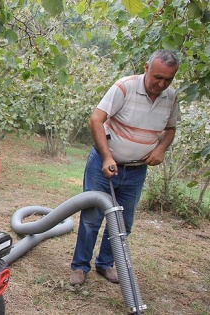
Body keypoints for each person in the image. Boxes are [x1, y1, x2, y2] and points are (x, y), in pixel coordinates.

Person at [69, 50, 180, 286]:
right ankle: (80, 267)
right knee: (92, 218)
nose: (161, 84)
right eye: (157, 77)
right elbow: (96, 119)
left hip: (136, 171)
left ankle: (106, 263)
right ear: (146, 67)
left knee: (122, 222)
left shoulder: (171, 97)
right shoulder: (124, 88)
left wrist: (160, 150)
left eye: (168, 79)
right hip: (103, 164)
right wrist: (107, 157)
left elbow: (170, 130)